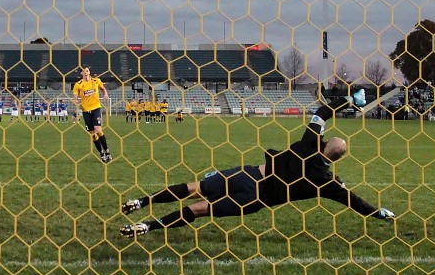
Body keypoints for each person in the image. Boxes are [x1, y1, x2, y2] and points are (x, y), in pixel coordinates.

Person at [120, 90, 395, 237]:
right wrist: (378, 213)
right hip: (255, 199)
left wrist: (350, 101)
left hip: (248, 174)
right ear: (337, 160)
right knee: (200, 209)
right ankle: (148, 227)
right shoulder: (328, 182)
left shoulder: (308, 143)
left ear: (323, 144)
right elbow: (354, 201)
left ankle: (143, 201)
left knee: (196, 187)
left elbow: (322, 112)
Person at [73, 66, 112, 163]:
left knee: (98, 130)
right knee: (93, 134)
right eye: (83, 71)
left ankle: (107, 152)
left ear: (89, 72)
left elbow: (103, 89)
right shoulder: (78, 85)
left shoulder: (96, 81)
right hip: (86, 111)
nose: (85, 72)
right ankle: (101, 153)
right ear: (81, 73)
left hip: (96, 109)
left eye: (87, 71)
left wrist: (105, 94)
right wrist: (76, 105)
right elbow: (75, 98)